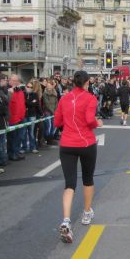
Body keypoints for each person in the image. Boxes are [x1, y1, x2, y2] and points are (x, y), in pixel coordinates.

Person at [54, 70, 103, 243]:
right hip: (86, 143)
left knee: (69, 183)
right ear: (87, 82)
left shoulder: (64, 98)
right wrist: (98, 122)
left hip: (67, 144)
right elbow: (90, 120)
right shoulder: (90, 98)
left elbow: (56, 122)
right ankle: (86, 213)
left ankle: (66, 220)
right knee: (88, 179)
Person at [7, 74, 26, 161]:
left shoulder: (20, 91)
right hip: (12, 119)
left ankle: (16, 152)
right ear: (9, 81)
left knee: (19, 137)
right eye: (13, 81)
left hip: (21, 118)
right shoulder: (8, 91)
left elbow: (22, 104)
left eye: (17, 81)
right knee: (12, 138)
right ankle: (12, 154)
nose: (15, 83)